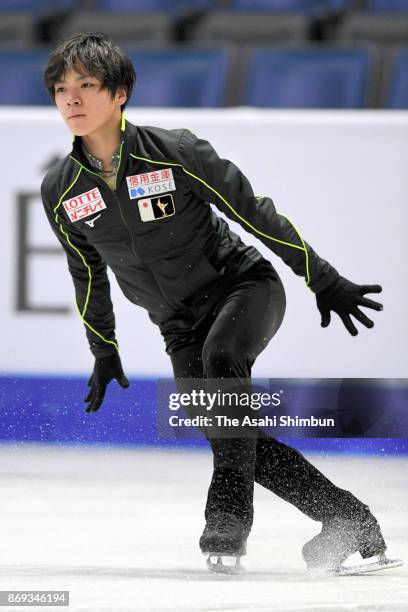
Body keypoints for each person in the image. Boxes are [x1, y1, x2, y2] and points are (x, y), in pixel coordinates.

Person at [42, 32, 388, 573]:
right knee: (232, 434)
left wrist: (319, 277)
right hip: (177, 322)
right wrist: (103, 348)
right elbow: (85, 271)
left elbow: (255, 211)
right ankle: (350, 519)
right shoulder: (60, 189)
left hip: (242, 287)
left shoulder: (175, 151)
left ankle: (225, 525)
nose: (72, 100)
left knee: (222, 361)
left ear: (120, 93)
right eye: (62, 89)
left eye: (87, 85)